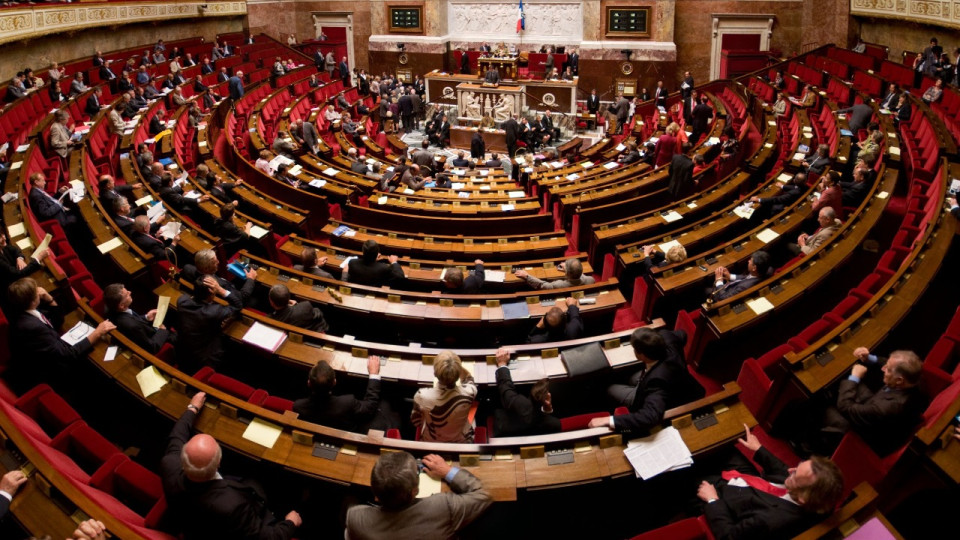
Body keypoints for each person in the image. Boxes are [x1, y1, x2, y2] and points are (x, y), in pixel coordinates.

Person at [161, 392, 301, 538]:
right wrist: (290, 523)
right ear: (219, 463)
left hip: (191, 522)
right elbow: (267, 536)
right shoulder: (232, 505)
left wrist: (193, 408)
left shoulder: (169, 465)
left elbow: (176, 436)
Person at [697, 425, 845, 540]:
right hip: (753, 482)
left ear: (803, 498)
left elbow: (729, 536)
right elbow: (785, 470)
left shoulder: (768, 522)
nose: (790, 470)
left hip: (723, 496)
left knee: (692, 467)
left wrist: (712, 500)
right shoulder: (822, 497)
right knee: (722, 444)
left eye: (795, 476)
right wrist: (759, 449)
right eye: (799, 465)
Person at [345, 451, 491, 539]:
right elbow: (485, 493)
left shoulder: (354, 518)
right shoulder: (442, 508)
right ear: (415, 491)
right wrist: (447, 471)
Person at [6, 277, 115, 392]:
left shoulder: (24, 311)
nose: (39, 290)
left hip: (49, 354)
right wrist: (97, 332)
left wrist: (50, 299)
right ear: (33, 301)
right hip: (49, 375)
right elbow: (67, 355)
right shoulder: (31, 327)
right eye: (36, 291)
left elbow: (57, 322)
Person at [590, 326, 705, 432]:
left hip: (670, 394)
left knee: (610, 389)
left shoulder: (656, 383)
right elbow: (682, 334)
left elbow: (650, 416)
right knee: (630, 377)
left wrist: (610, 420)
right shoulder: (667, 337)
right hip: (673, 377)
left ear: (642, 355)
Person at [817, 348, 926, 456]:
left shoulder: (886, 408)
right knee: (849, 384)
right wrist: (869, 358)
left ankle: (813, 444)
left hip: (869, 437)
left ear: (899, 380)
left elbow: (845, 407)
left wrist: (854, 377)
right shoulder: (913, 378)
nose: (883, 368)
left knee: (825, 408)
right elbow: (888, 364)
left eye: (888, 369)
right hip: (877, 407)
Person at [294, 358, 398, 432]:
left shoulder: (298, 406)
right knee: (385, 403)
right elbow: (370, 406)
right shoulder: (347, 402)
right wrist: (374, 373)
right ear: (334, 382)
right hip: (350, 432)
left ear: (308, 383)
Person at [175, 274, 247, 371]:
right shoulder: (213, 312)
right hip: (204, 358)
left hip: (183, 352)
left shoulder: (182, 301)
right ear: (211, 291)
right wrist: (220, 289)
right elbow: (237, 305)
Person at [412, 350, 478, 442]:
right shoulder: (470, 392)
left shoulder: (421, 396)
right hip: (462, 441)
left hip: (431, 441)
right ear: (458, 374)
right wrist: (455, 367)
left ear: (435, 373)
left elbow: (416, 422)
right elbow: (469, 378)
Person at [492, 348, 561, 436]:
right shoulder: (555, 424)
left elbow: (505, 388)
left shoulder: (520, 404)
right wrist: (547, 409)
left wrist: (502, 364)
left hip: (505, 430)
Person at [103, 283, 176, 354]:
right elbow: (152, 347)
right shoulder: (132, 326)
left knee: (170, 312)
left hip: (144, 329)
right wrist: (162, 330)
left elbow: (132, 319)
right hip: (156, 338)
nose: (130, 292)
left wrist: (146, 317)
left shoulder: (110, 309)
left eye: (127, 291)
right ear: (121, 305)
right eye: (127, 295)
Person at [515, 257, 594, 289]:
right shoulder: (591, 280)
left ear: (568, 274)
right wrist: (568, 270)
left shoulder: (559, 285)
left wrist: (527, 276)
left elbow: (542, 285)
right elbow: (580, 274)